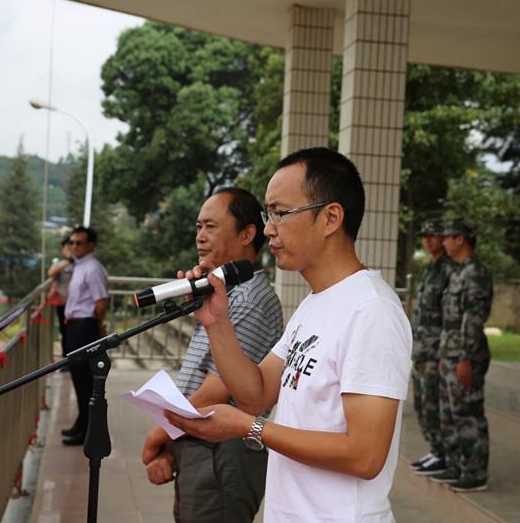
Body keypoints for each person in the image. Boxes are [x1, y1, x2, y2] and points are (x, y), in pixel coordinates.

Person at [165, 148, 412, 522]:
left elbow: (365, 455)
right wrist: (217, 321)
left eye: (280, 213)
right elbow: (256, 393)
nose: (268, 229)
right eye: (269, 215)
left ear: (330, 217)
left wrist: (250, 428)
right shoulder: (314, 304)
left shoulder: (371, 311)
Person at [142, 187, 283, 523]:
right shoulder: (223, 291)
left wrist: (158, 435)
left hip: (221, 451)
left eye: (211, 226)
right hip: (199, 441)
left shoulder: (248, 299)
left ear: (247, 234)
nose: (200, 236)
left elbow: (217, 390)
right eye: (198, 227)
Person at [429, 218, 493, 492]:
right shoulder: (459, 272)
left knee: (468, 413)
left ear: (461, 239)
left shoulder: (475, 273)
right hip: (451, 354)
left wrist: (466, 358)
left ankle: (475, 472)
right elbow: (451, 320)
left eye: (448, 237)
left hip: (466, 356)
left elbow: (473, 319)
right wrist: (444, 355)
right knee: (450, 413)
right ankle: (457, 464)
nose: (443, 242)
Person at [409, 218, 456, 476]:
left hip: (437, 348)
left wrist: (444, 352)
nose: (427, 240)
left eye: (433, 236)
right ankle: (435, 449)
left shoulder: (450, 270)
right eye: (424, 236)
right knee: (422, 402)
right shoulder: (429, 268)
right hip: (422, 348)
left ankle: (445, 453)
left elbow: (450, 315)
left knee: (435, 403)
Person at [61, 225, 109, 446]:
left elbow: (100, 303)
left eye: (79, 243)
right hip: (75, 327)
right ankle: (81, 423)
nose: (74, 246)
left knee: (85, 381)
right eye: (71, 242)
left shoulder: (92, 268)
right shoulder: (79, 266)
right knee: (78, 378)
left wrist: (96, 327)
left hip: (84, 328)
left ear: (90, 245)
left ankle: (88, 430)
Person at [48, 235, 75, 350]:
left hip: (77, 304)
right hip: (63, 303)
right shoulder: (60, 263)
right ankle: (66, 355)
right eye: (66, 247)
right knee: (64, 330)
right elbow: (51, 273)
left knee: (75, 330)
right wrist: (68, 261)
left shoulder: (80, 263)